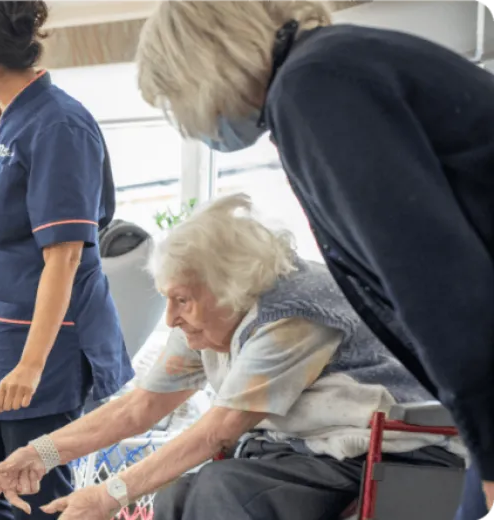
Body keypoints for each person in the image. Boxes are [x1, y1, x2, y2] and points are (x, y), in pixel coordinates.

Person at [133, 0, 494, 517]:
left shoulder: (314, 87)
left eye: (176, 98)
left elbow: (434, 279)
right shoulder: (331, 69)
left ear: (203, 67)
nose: (190, 123)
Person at [0, 195, 465, 520]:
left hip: (383, 454)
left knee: (223, 492)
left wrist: (108, 496)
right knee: (177, 496)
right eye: (167, 299)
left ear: (232, 289)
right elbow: (139, 408)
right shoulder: (206, 316)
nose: (170, 318)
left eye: (182, 301)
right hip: (302, 455)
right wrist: (38, 454)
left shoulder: (293, 314)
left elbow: (219, 429)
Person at [0, 0, 132, 517]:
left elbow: (63, 256)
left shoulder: (59, 125)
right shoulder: (0, 121)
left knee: (35, 496)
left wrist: (31, 366)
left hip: (42, 350)